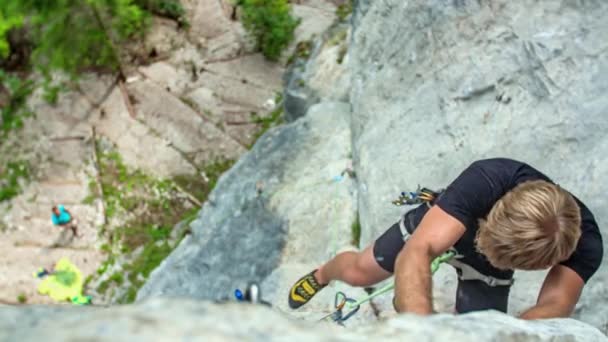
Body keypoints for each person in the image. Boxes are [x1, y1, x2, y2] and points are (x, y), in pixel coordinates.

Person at [288, 158, 603, 319]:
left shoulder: (585, 247)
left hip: (489, 272)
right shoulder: (488, 178)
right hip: (447, 227)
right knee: (360, 271)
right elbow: (418, 250)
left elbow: (554, 306)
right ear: (499, 207)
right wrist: (423, 329)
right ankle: (322, 275)